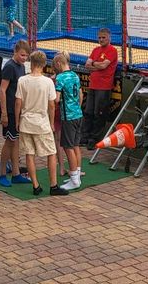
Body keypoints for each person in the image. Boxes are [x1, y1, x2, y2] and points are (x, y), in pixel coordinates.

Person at [15, 50, 68, 196]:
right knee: (51, 153)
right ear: (44, 64)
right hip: (42, 123)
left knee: (29, 154)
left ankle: (35, 185)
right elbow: (52, 105)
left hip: (26, 122)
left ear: (30, 63)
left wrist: (17, 120)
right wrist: (51, 123)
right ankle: (53, 185)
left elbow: (18, 103)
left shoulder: (22, 80)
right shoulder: (48, 82)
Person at [0, 39, 32, 188]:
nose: (24, 58)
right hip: (10, 111)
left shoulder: (21, 67)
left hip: (17, 111)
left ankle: (16, 173)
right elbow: (2, 90)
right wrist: (4, 113)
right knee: (9, 141)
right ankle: (2, 173)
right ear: (15, 52)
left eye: (26, 56)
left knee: (16, 141)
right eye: (22, 55)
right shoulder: (10, 67)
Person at [53, 52, 84, 190]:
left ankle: (74, 179)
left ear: (59, 64)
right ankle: (76, 174)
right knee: (76, 145)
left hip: (68, 117)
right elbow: (80, 95)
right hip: (78, 115)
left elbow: (57, 99)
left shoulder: (60, 77)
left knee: (68, 147)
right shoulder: (75, 75)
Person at [82, 28, 118, 149]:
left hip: (104, 87)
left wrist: (95, 64)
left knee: (99, 113)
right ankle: (84, 137)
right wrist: (98, 65)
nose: (101, 40)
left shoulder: (112, 50)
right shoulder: (95, 49)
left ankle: (94, 139)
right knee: (88, 112)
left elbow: (104, 65)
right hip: (93, 85)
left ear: (109, 38)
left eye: (103, 37)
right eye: (99, 38)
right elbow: (87, 65)